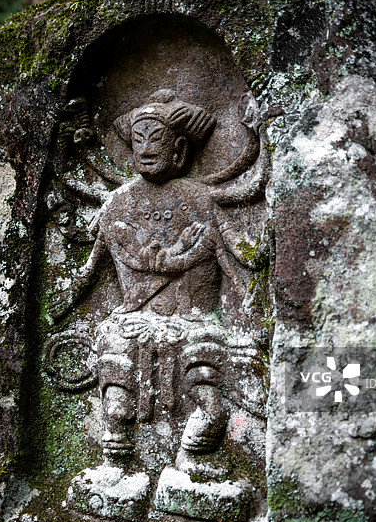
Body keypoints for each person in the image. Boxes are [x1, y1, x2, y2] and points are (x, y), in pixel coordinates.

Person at [52, 89, 261, 477]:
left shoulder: (200, 199)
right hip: (131, 323)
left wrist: (257, 287)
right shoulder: (118, 202)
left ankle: (191, 459)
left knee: (210, 405)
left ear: (180, 149)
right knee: (116, 403)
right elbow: (91, 267)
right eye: (138, 140)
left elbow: (240, 254)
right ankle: (115, 463)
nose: (146, 149)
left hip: (194, 322)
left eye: (157, 139)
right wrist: (60, 305)